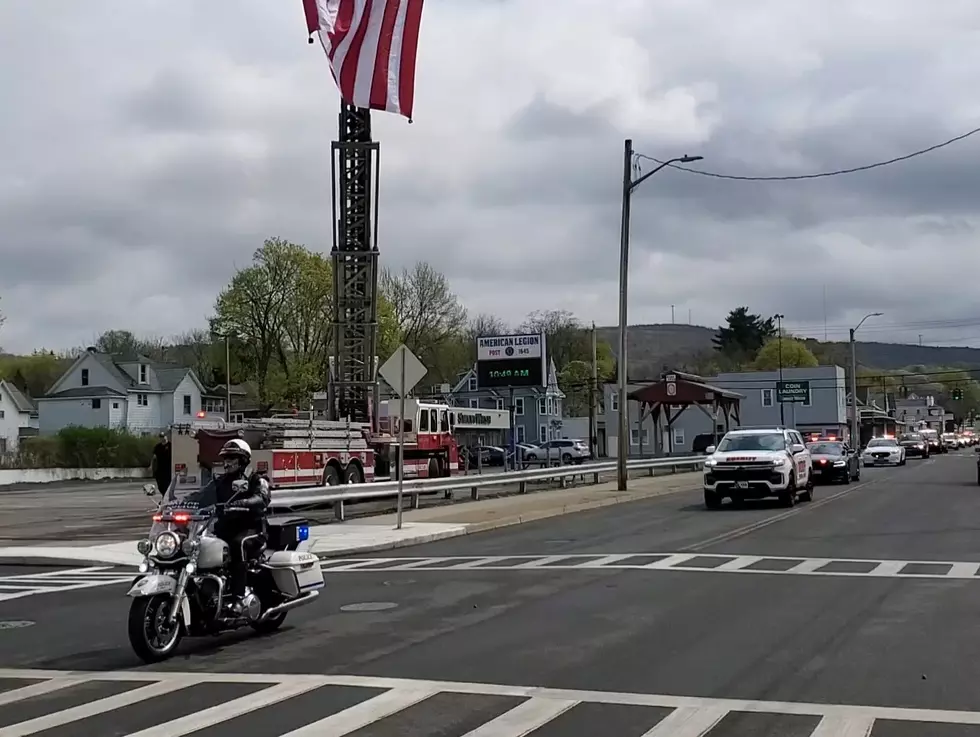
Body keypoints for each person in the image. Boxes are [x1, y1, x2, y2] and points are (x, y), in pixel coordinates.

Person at [212, 438, 271, 614]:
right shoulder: (220, 481)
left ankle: (238, 598)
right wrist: (178, 504)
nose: (227, 462)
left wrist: (245, 502)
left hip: (252, 530)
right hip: (225, 529)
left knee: (238, 544)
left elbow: (262, 497)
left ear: (243, 460)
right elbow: (201, 495)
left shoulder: (256, 479)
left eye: (232, 458)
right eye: (226, 458)